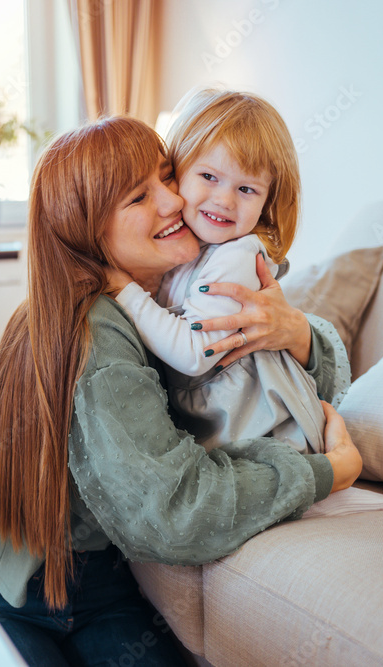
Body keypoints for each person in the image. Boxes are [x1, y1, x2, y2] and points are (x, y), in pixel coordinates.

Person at [0, 116, 363, 666]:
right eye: (139, 197)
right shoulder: (99, 331)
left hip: (99, 583)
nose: (173, 202)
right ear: (88, 230)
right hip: (5, 587)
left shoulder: (183, 288)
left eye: (167, 176)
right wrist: (326, 473)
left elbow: (274, 386)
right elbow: (177, 510)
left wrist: (297, 333)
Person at [107, 88, 347, 455]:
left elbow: (194, 353)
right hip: (231, 431)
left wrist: (125, 292)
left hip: (274, 438)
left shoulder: (236, 257)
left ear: (267, 201)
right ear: (178, 171)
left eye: (247, 189)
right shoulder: (189, 249)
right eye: (209, 176)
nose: (224, 200)